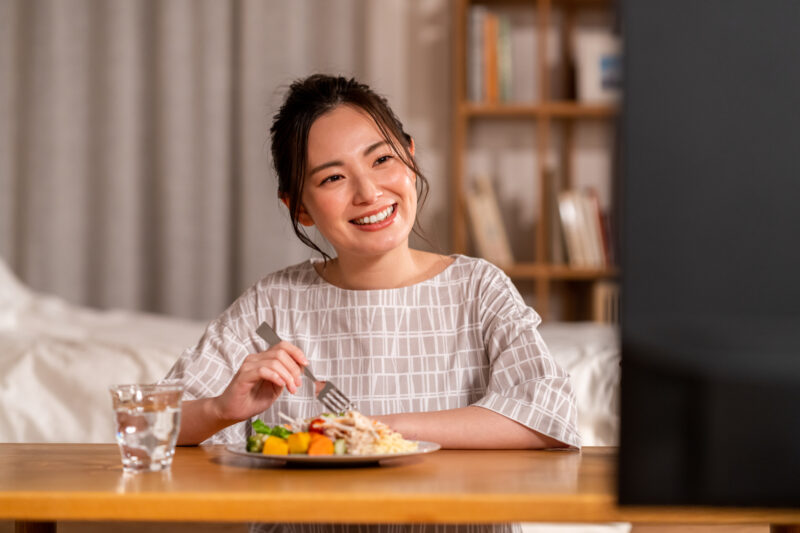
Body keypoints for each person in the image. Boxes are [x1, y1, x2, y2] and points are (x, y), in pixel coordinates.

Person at [165, 74, 580, 533]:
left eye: (382, 158)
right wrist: (221, 410)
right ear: (298, 207)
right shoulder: (272, 308)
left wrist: (373, 432)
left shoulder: (479, 288)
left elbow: (549, 416)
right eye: (333, 178)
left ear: (410, 155)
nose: (368, 193)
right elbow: (157, 424)